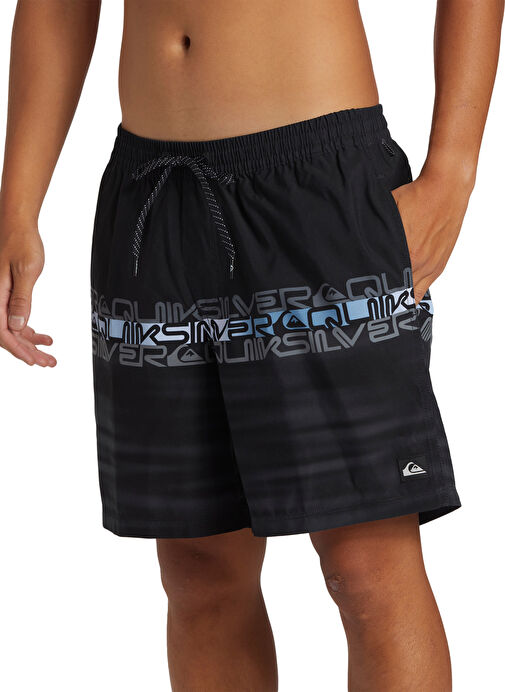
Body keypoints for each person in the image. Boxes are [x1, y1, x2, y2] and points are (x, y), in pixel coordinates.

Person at [0, 1, 503, 690]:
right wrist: (16, 208)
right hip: (152, 196)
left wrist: (453, 168)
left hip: (316, 187)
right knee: (199, 571)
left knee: (365, 566)